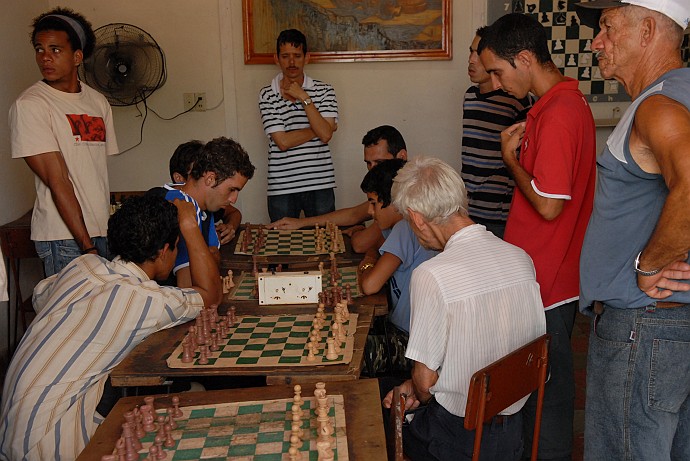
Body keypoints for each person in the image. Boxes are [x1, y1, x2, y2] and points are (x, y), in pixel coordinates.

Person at [0, 195, 221, 461]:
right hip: (50, 447)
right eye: (175, 248)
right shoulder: (144, 300)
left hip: (10, 434)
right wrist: (189, 225)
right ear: (164, 251)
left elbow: (39, 294)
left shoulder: (83, 266)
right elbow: (210, 295)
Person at [573, 1, 690, 459]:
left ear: (646, 30)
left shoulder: (658, 105)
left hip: (643, 328)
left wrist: (649, 263)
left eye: (607, 27)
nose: (597, 42)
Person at [478, 14, 596, 460]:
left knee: (549, 397)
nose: (494, 81)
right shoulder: (553, 107)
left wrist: (510, 161)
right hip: (543, 276)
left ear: (525, 59)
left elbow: (549, 204)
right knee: (539, 392)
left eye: (497, 71)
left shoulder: (561, 112)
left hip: (549, 282)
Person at [382, 157, 546, 460]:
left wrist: (417, 388)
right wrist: (419, 385)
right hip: (513, 435)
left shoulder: (433, 275)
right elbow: (495, 352)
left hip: (459, 438)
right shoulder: (520, 259)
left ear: (417, 218)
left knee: (380, 422)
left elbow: (425, 383)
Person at [10, 7, 119, 277]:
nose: (45, 57)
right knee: (72, 318)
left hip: (101, 231)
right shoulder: (31, 105)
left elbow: (94, 173)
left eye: (55, 49)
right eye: (39, 49)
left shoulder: (98, 102)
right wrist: (86, 244)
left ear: (77, 56)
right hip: (64, 238)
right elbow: (57, 178)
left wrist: (103, 235)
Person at [270, 125, 408, 253]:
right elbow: (354, 214)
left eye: (379, 162)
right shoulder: (390, 188)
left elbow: (361, 244)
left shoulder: (408, 192)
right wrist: (300, 222)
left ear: (402, 157)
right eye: (368, 163)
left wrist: (358, 233)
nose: (372, 169)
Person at [259, 29, 338, 222]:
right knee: (281, 246)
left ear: (307, 58)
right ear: (276, 59)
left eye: (297, 56)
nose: (291, 62)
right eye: (285, 56)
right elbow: (283, 142)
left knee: (326, 243)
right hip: (282, 185)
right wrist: (321, 128)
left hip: (320, 182)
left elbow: (326, 136)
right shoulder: (267, 94)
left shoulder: (325, 91)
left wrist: (304, 97)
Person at [461, 26, 533, 239]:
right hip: (469, 209)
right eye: (470, 51)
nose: (472, 60)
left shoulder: (517, 99)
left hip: (500, 214)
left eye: (479, 54)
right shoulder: (469, 97)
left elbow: (524, 158)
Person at [162, 137, 255, 288]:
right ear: (210, 179)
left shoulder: (200, 207)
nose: (234, 199)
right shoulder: (181, 208)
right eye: (232, 189)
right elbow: (191, 291)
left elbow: (214, 260)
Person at [167, 140, 243, 245]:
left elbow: (234, 213)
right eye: (196, 171)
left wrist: (230, 227)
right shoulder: (165, 205)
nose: (199, 175)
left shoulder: (207, 205)